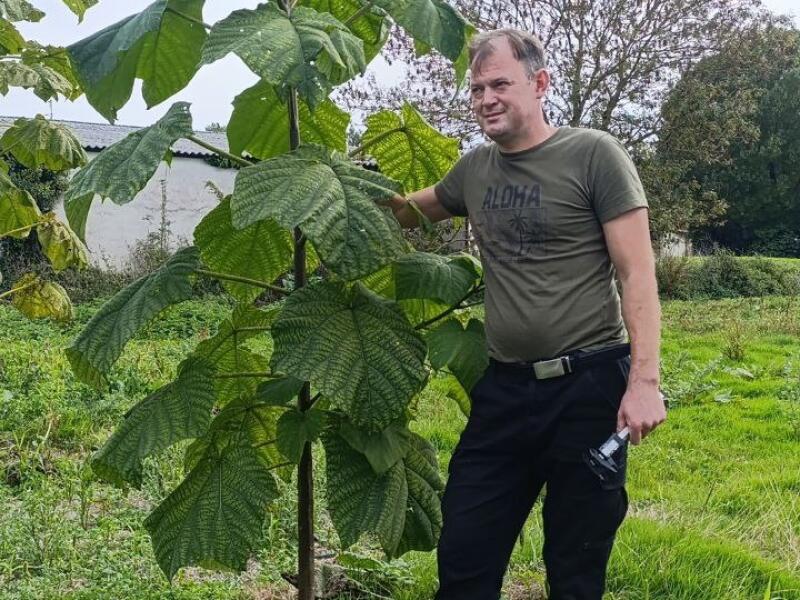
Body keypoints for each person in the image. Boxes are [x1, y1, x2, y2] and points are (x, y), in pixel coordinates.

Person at [387, 28, 666, 600]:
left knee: (576, 565)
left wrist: (644, 382)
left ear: (539, 84)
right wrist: (330, 186)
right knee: (464, 551)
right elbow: (409, 213)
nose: (485, 98)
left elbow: (637, 273)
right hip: (505, 390)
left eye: (500, 84)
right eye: (476, 88)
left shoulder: (593, 155)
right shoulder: (474, 170)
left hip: (588, 387)